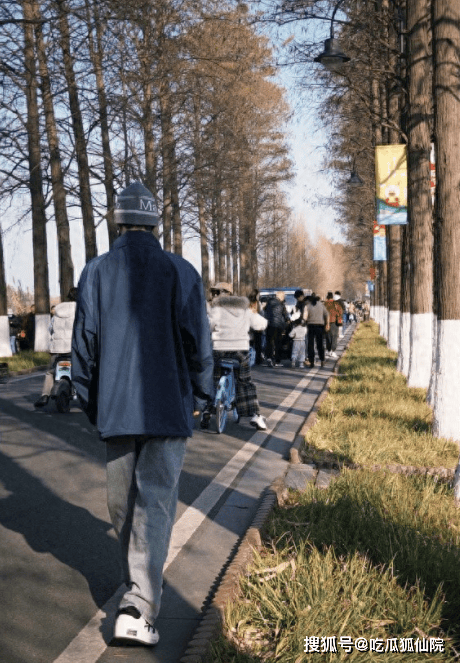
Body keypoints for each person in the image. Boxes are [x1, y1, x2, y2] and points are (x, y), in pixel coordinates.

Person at [71, 181, 214, 647]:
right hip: (168, 406)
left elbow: (84, 347)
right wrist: (201, 394)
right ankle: (138, 605)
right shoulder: (181, 271)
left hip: (116, 409)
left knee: (123, 504)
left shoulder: (96, 271)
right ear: (155, 222)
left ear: (118, 222)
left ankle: (136, 597)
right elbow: (198, 342)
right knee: (154, 503)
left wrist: (93, 403)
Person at [205, 282, 268, 431]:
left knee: (213, 378)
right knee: (245, 381)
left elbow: (208, 326)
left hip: (219, 349)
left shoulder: (216, 309)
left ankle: (207, 409)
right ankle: (255, 415)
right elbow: (261, 324)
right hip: (240, 351)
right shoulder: (244, 308)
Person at [34, 288, 78, 407]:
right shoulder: (80, 310)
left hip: (57, 350)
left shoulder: (58, 311)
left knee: (50, 372)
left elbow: (50, 329)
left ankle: (44, 395)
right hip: (74, 349)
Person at [263, 291, 289, 367]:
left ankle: (269, 358)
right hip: (278, 325)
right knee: (278, 343)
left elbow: (265, 311)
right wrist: (287, 321)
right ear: (281, 296)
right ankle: (277, 361)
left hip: (269, 324)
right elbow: (285, 314)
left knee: (269, 342)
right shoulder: (281, 304)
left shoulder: (269, 302)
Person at [304, 293, 329, 368]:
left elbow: (305, 317)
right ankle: (322, 360)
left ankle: (311, 361)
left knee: (310, 344)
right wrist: (327, 324)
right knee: (320, 344)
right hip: (320, 326)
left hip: (310, 326)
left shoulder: (307, 306)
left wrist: (304, 321)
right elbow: (327, 314)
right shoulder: (321, 305)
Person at [247, 288, 264, 365]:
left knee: (249, 342)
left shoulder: (247, 303)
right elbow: (261, 314)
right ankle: (257, 359)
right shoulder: (257, 303)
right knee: (258, 343)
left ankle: (248, 358)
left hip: (249, 325)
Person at [324, 291, 342, 359]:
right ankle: (333, 351)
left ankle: (328, 350)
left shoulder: (325, 304)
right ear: (332, 297)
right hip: (334, 322)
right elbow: (340, 312)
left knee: (328, 336)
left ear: (327, 297)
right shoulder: (336, 303)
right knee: (334, 336)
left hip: (326, 322)